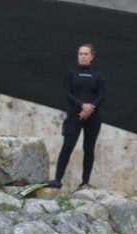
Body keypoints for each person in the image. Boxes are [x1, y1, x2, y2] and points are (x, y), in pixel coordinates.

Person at [46, 44, 106, 191]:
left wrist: (90, 108)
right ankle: (57, 180)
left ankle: (85, 182)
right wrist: (82, 105)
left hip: (93, 117)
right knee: (67, 146)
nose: (83, 56)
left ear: (92, 56)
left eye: (86, 54)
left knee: (89, 148)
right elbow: (68, 93)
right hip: (74, 115)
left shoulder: (98, 75)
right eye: (80, 54)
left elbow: (102, 95)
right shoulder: (71, 73)